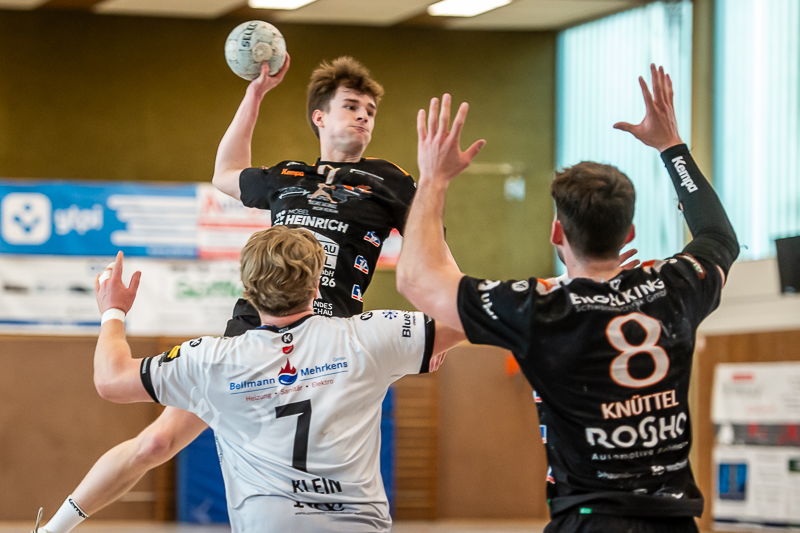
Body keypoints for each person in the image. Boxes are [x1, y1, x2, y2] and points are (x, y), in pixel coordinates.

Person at [35, 56, 426, 533]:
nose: (364, 115)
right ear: (319, 116)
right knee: (156, 442)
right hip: (253, 334)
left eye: (370, 110)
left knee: (324, 462)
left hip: (328, 343)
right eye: (351, 106)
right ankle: (51, 530)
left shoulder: (390, 182)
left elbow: (432, 253)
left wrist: (432, 306)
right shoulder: (290, 176)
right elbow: (226, 172)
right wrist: (254, 95)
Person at [396, 65, 739, 533]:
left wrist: (434, 179)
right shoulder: (674, 287)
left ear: (557, 232)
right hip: (674, 523)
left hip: (589, 520)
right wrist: (671, 147)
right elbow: (719, 235)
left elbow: (417, 279)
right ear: (628, 233)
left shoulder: (542, 309)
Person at [57, 227, 462, 533]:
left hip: (268, 524)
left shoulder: (211, 360)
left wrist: (113, 312)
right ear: (317, 286)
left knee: (154, 443)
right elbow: (466, 314)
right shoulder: (367, 337)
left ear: (247, 292)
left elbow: (111, 380)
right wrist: (432, 203)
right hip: (357, 524)